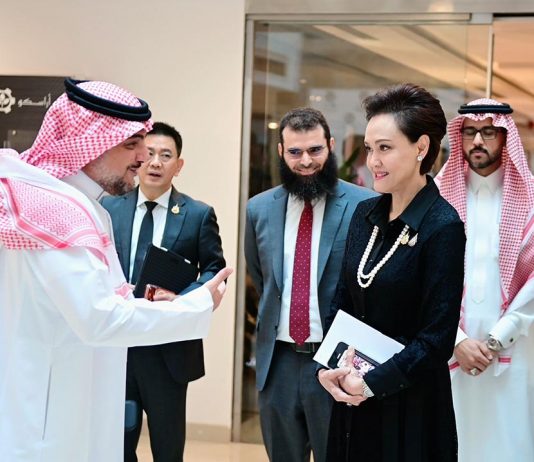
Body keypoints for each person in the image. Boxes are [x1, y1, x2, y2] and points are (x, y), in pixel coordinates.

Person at [0, 79, 231, 462]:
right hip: (49, 418)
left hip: (68, 398)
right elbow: (101, 319)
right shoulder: (55, 209)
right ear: (87, 143)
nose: (143, 157)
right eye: (131, 144)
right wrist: (196, 305)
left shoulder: (76, 203)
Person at [318, 83, 465, 462]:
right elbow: (340, 302)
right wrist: (332, 368)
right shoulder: (364, 215)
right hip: (351, 394)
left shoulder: (442, 225)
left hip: (409, 406)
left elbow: (436, 339)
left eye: (385, 148)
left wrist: (370, 383)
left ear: (421, 148)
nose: (373, 161)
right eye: (369, 148)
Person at [245, 107, 374, 462]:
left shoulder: (365, 205)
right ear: (281, 152)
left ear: (330, 146)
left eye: (315, 150)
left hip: (336, 360)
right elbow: (262, 278)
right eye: (295, 152)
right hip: (279, 365)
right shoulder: (258, 209)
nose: (305, 161)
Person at [101, 122, 225, 462]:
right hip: (117, 347)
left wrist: (185, 299)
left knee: (168, 449)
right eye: (150, 153)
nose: (156, 162)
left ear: (178, 165)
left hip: (167, 349)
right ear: (138, 158)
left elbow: (213, 270)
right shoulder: (109, 208)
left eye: (166, 155)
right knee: (115, 446)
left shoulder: (197, 214)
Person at [436, 98, 534, 461]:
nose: (478, 140)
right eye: (470, 132)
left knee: (509, 445)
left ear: (505, 137)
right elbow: (419, 278)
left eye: (488, 132)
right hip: (447, 350)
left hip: (515, 349)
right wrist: (457, 340)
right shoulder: (435, 197)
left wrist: (498, 338)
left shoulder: (531, 198)